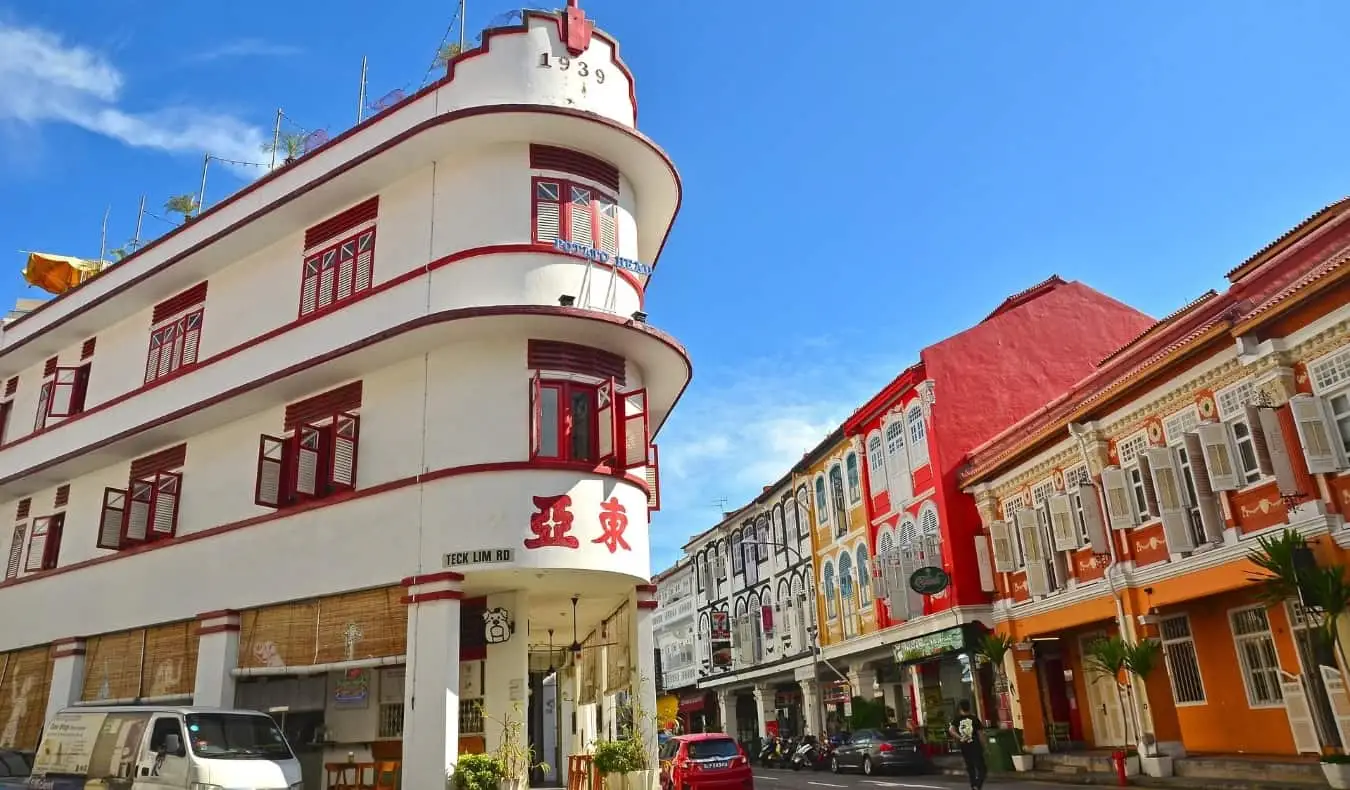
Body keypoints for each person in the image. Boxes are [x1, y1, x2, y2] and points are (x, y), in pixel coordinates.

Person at [948, 700, 987, 790]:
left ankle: (973, 785)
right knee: (982, 767)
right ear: (969, 707)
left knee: (970, 766)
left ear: (960, 708)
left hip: (964, 745)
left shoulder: (957, 719)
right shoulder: (974, 719)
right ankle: (978, 784)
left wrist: (960, 737)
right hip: (975, 745)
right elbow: (981, 734)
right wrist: (985, 746)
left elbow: (951, 730)